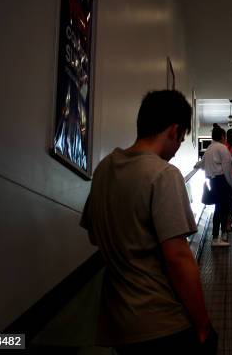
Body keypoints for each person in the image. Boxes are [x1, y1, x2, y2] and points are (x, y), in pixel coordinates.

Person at [80, 90, 217, 354]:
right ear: (174, 130)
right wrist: (203, 324)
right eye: (181, 139)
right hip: (161, 320)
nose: (178, 149)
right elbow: (178, 256)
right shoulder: (163, 174)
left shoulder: (104, 169)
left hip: (118, 322)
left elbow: (94, 236)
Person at [198, 124, 232, 247]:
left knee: (219, 209)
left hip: (212, 182)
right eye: (224, 136)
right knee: (222, 210)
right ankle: (217, 237)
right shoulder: (222, 148)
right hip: (221, 181)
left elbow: (202, 165)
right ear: (222, 136)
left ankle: (221, 236)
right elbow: (227, 169)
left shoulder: (209, 148)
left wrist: (197, 166)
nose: (225, 138)